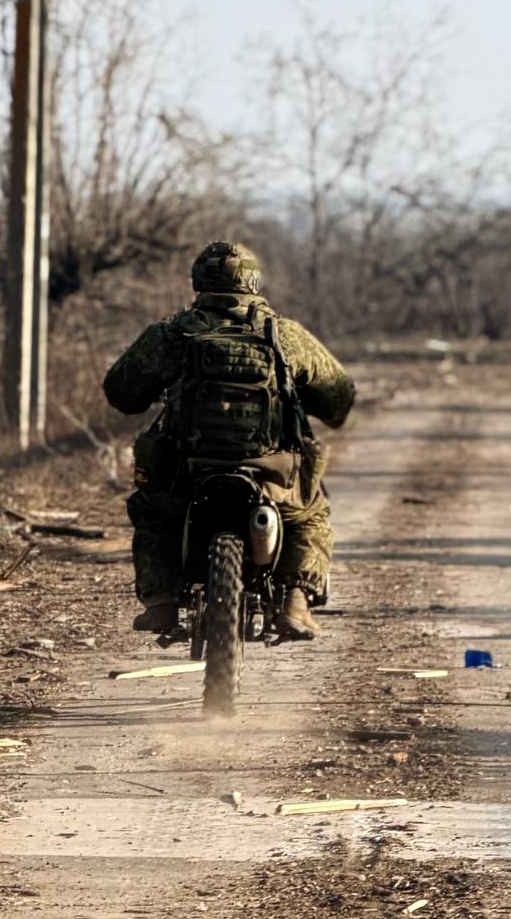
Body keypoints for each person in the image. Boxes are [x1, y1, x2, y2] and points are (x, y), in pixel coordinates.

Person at [101, 241, 356, 642]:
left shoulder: (173, 334)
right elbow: (339, 398)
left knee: (153, 512)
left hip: (188, 469)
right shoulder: (285, 335)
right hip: (270, 471)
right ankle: (295, 600)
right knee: (309, 516)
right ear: (254, 282)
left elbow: (120, 392)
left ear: (198, 281)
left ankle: (161, 601)